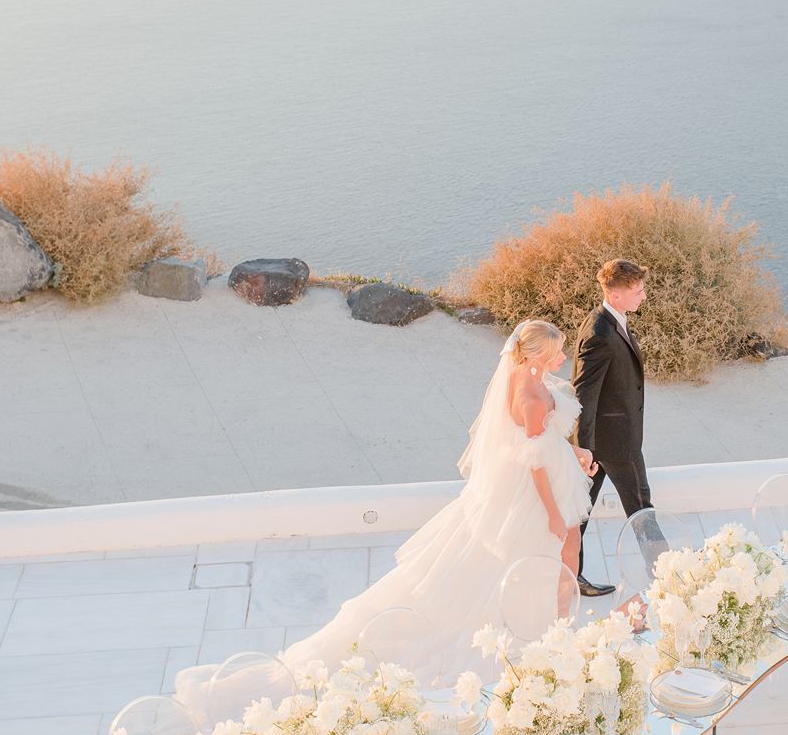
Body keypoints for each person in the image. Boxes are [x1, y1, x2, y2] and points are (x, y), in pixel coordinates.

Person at [173, 320, 597, 711]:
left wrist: (576, 454)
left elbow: (541, 445)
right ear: (536, 355)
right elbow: (535, 462)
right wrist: (553, 513)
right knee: (545, 556)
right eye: (556, 352)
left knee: (555, 558)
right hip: (532, 496)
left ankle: (556, 628)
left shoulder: (533, 382)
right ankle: (551, 633)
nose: (563, 358)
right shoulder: (527, 394)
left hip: (546, 482)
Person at [572, 259, 651, 596]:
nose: (643, 296)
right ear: (616, 295)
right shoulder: (600, 333)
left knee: (579, 512)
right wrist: (583, 447)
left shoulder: (608, 319)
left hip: (606, 440)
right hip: (613, 443)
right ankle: (671, 578)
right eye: (637, 291)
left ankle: (568, 576)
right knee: (642, 507)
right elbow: (583, 394)